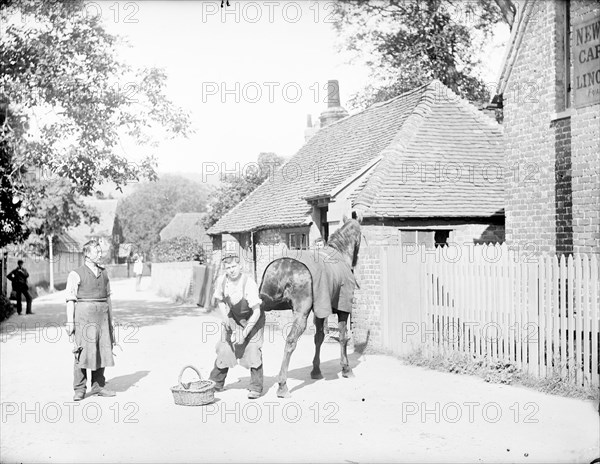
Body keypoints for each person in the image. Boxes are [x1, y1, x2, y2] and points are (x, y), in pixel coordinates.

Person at [65, 239, 116, 401]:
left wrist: (111, 320)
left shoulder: (104, 273)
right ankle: (79, 389)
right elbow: (70, 299)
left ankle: (98, 386)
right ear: (87, 254)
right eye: (97, 251)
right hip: (83, 319)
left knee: (101, 350)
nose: (100, 254)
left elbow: (108, 298)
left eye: (100, 251)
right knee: (82, 352)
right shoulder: (75, 274)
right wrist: (70, 322)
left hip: (102, 317)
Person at [209, 254, 265, 399]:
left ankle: (256, 387)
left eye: (234, 266)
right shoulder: (222, 281)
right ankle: (215, 382)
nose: (231, 270)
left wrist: (244, 334)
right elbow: (220, 300)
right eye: (228, 268)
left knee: (253, 349)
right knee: (224, 348)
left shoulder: (249, 283)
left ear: (240, 266)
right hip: (233, 318)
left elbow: (257, 311)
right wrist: (225, 317)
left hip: (253, 320)